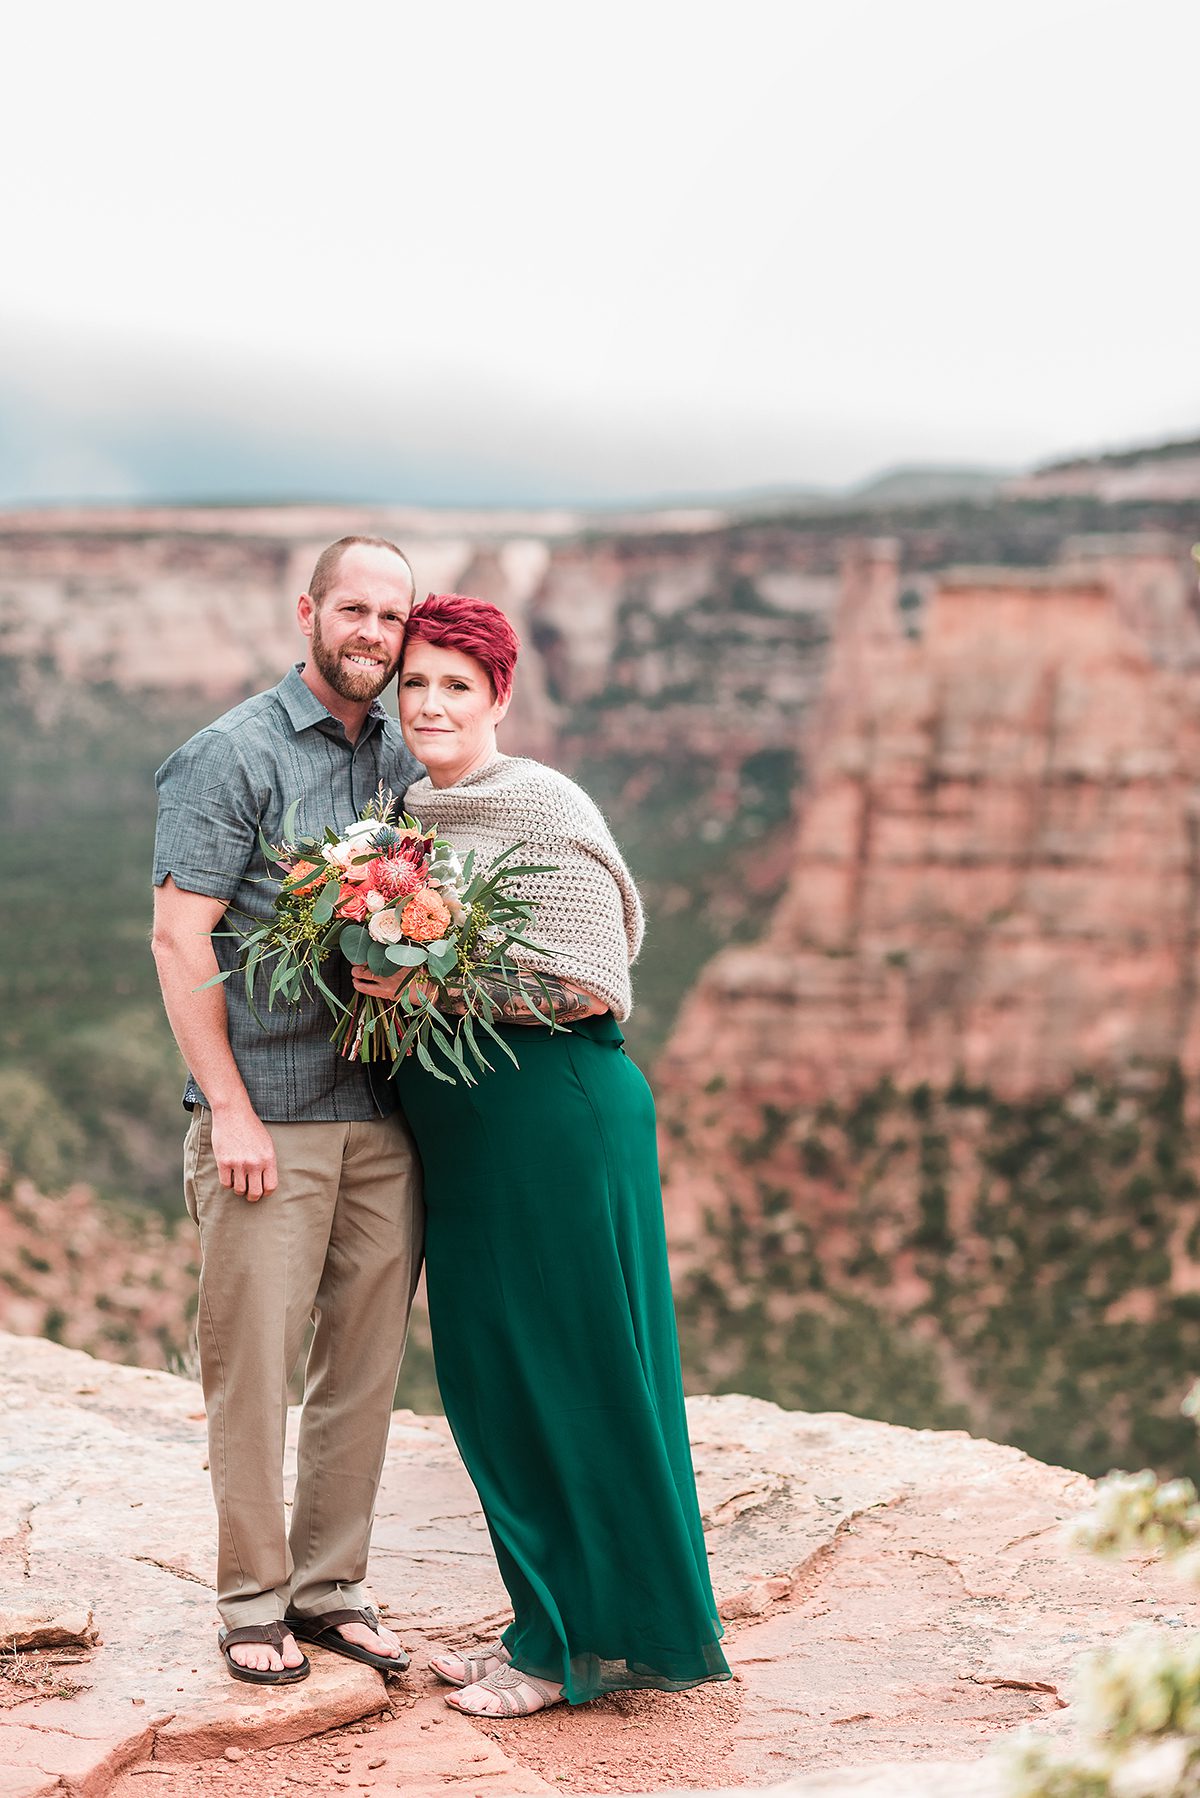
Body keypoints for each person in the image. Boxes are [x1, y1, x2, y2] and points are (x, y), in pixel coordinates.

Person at [351, 593, 731, 1718]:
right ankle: (548, 1618)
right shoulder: (404, 816)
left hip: (556, 1119)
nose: (430, 703)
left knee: (569, 1376)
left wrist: (433, 978)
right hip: (475, 1140)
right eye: (415, 682)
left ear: (501, 695)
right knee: (493, 1379)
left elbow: (594, 980)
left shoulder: (541, 804)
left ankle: (563, 1655)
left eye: (455, 685)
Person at [151, 536, 425, 1685]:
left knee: (364, 1363)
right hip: (270, 1116)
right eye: (352, 609)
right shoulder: (229, 755)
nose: (371, 632)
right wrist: (233, 1112)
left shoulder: (408, 757)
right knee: (254, 1366)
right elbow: (178, 936)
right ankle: (252, 1598)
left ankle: (332, 1585)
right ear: (307, 611)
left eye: (391, 619)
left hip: (387, 1116)